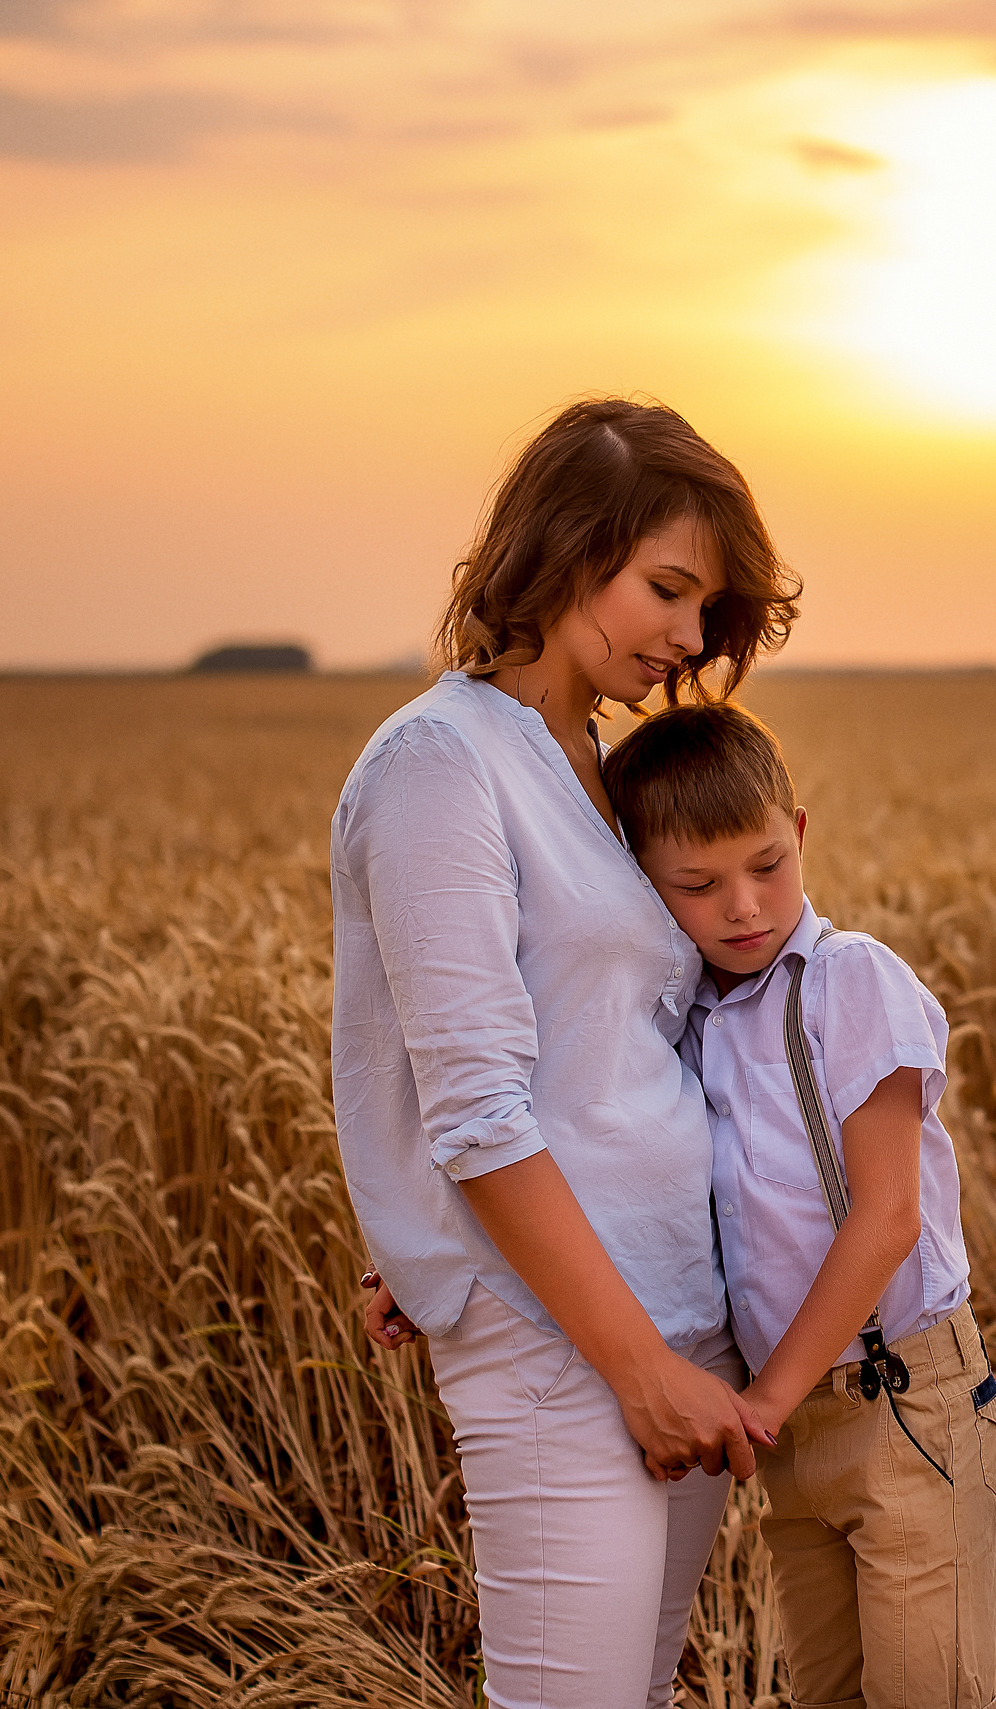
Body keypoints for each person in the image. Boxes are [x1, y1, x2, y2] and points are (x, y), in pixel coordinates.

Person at [333, 398, 801, 1709]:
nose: (691, 638)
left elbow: (598, 1044)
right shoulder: (439, 764)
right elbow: (475, 1104)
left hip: (678, 1314)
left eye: (707, 607)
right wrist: (634, 1366)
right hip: (565, 1339)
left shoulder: (595, 760)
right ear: (564, 547)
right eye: (668, 587)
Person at [604, 702, 996, 1709]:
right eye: (697, 885)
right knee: (830, 1690)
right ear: (642, 885)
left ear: (800, 833)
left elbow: (888, 1215)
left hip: (903, 1399)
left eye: (766, 865)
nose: (743, 906)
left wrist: (767, 1400)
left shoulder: (848, 981)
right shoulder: (685, 1018)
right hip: (793, 1431)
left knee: (930, 1693)